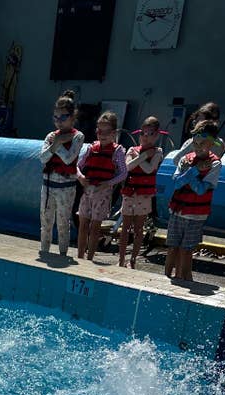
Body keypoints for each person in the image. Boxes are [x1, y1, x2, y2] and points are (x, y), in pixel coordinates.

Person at [165, 120, 222, 282]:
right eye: (195, 143)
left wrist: (188, 174)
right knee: (172, 247)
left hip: (195, 215)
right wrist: (195, 170)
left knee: (186, 249)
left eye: (202, 143)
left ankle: (186, 278)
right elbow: (176, 183)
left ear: (211, 144)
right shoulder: (186, 159)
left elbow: (201, 190)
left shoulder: (215, 163)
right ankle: (167, 278)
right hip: (177, 210)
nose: (197, 147)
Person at [38, 91, 84, 257]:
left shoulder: (78, 137)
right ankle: (44, 252)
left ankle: (63, 253)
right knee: (45, 221)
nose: (59, 122)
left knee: (63, 222)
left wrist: (55, 146)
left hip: (66, 188)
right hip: (48, 186)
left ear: (72, 117)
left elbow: (68, 159)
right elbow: (43, 158)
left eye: (63, 117)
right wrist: (56, 143)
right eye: (56, 117)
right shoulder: (51, 136)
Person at [76, 111, 127, 261]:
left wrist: (108, 184)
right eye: (99, 131)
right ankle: (80, 256)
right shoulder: (91, 148)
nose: (102, 135)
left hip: (102, 193)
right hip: (88, 191)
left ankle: (90, 257)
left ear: (114, 133)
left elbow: (123, 173)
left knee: (95, 227)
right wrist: (81, 177)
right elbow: (77, 166)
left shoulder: (118, 151)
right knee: (83, 224)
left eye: (107, 132)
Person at [118, 116, 164, 269]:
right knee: (125, 228)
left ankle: (133, 259)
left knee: (138, 229)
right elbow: (128, 167)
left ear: (156, 135)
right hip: (129, 193)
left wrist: (138, 159)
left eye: (150, 133)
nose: (145, 137)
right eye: (143, 133)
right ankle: (121, 259)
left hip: (144, 195)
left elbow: (149, 169)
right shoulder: (132, 150)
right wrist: (143, 156)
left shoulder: (158, 152)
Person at [172, 102, 225, 166]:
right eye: (195, 121)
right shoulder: (190, 141)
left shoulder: (217, 143)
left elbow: (208, 166)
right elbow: (176, 161)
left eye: (200, 122)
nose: (196, 124)